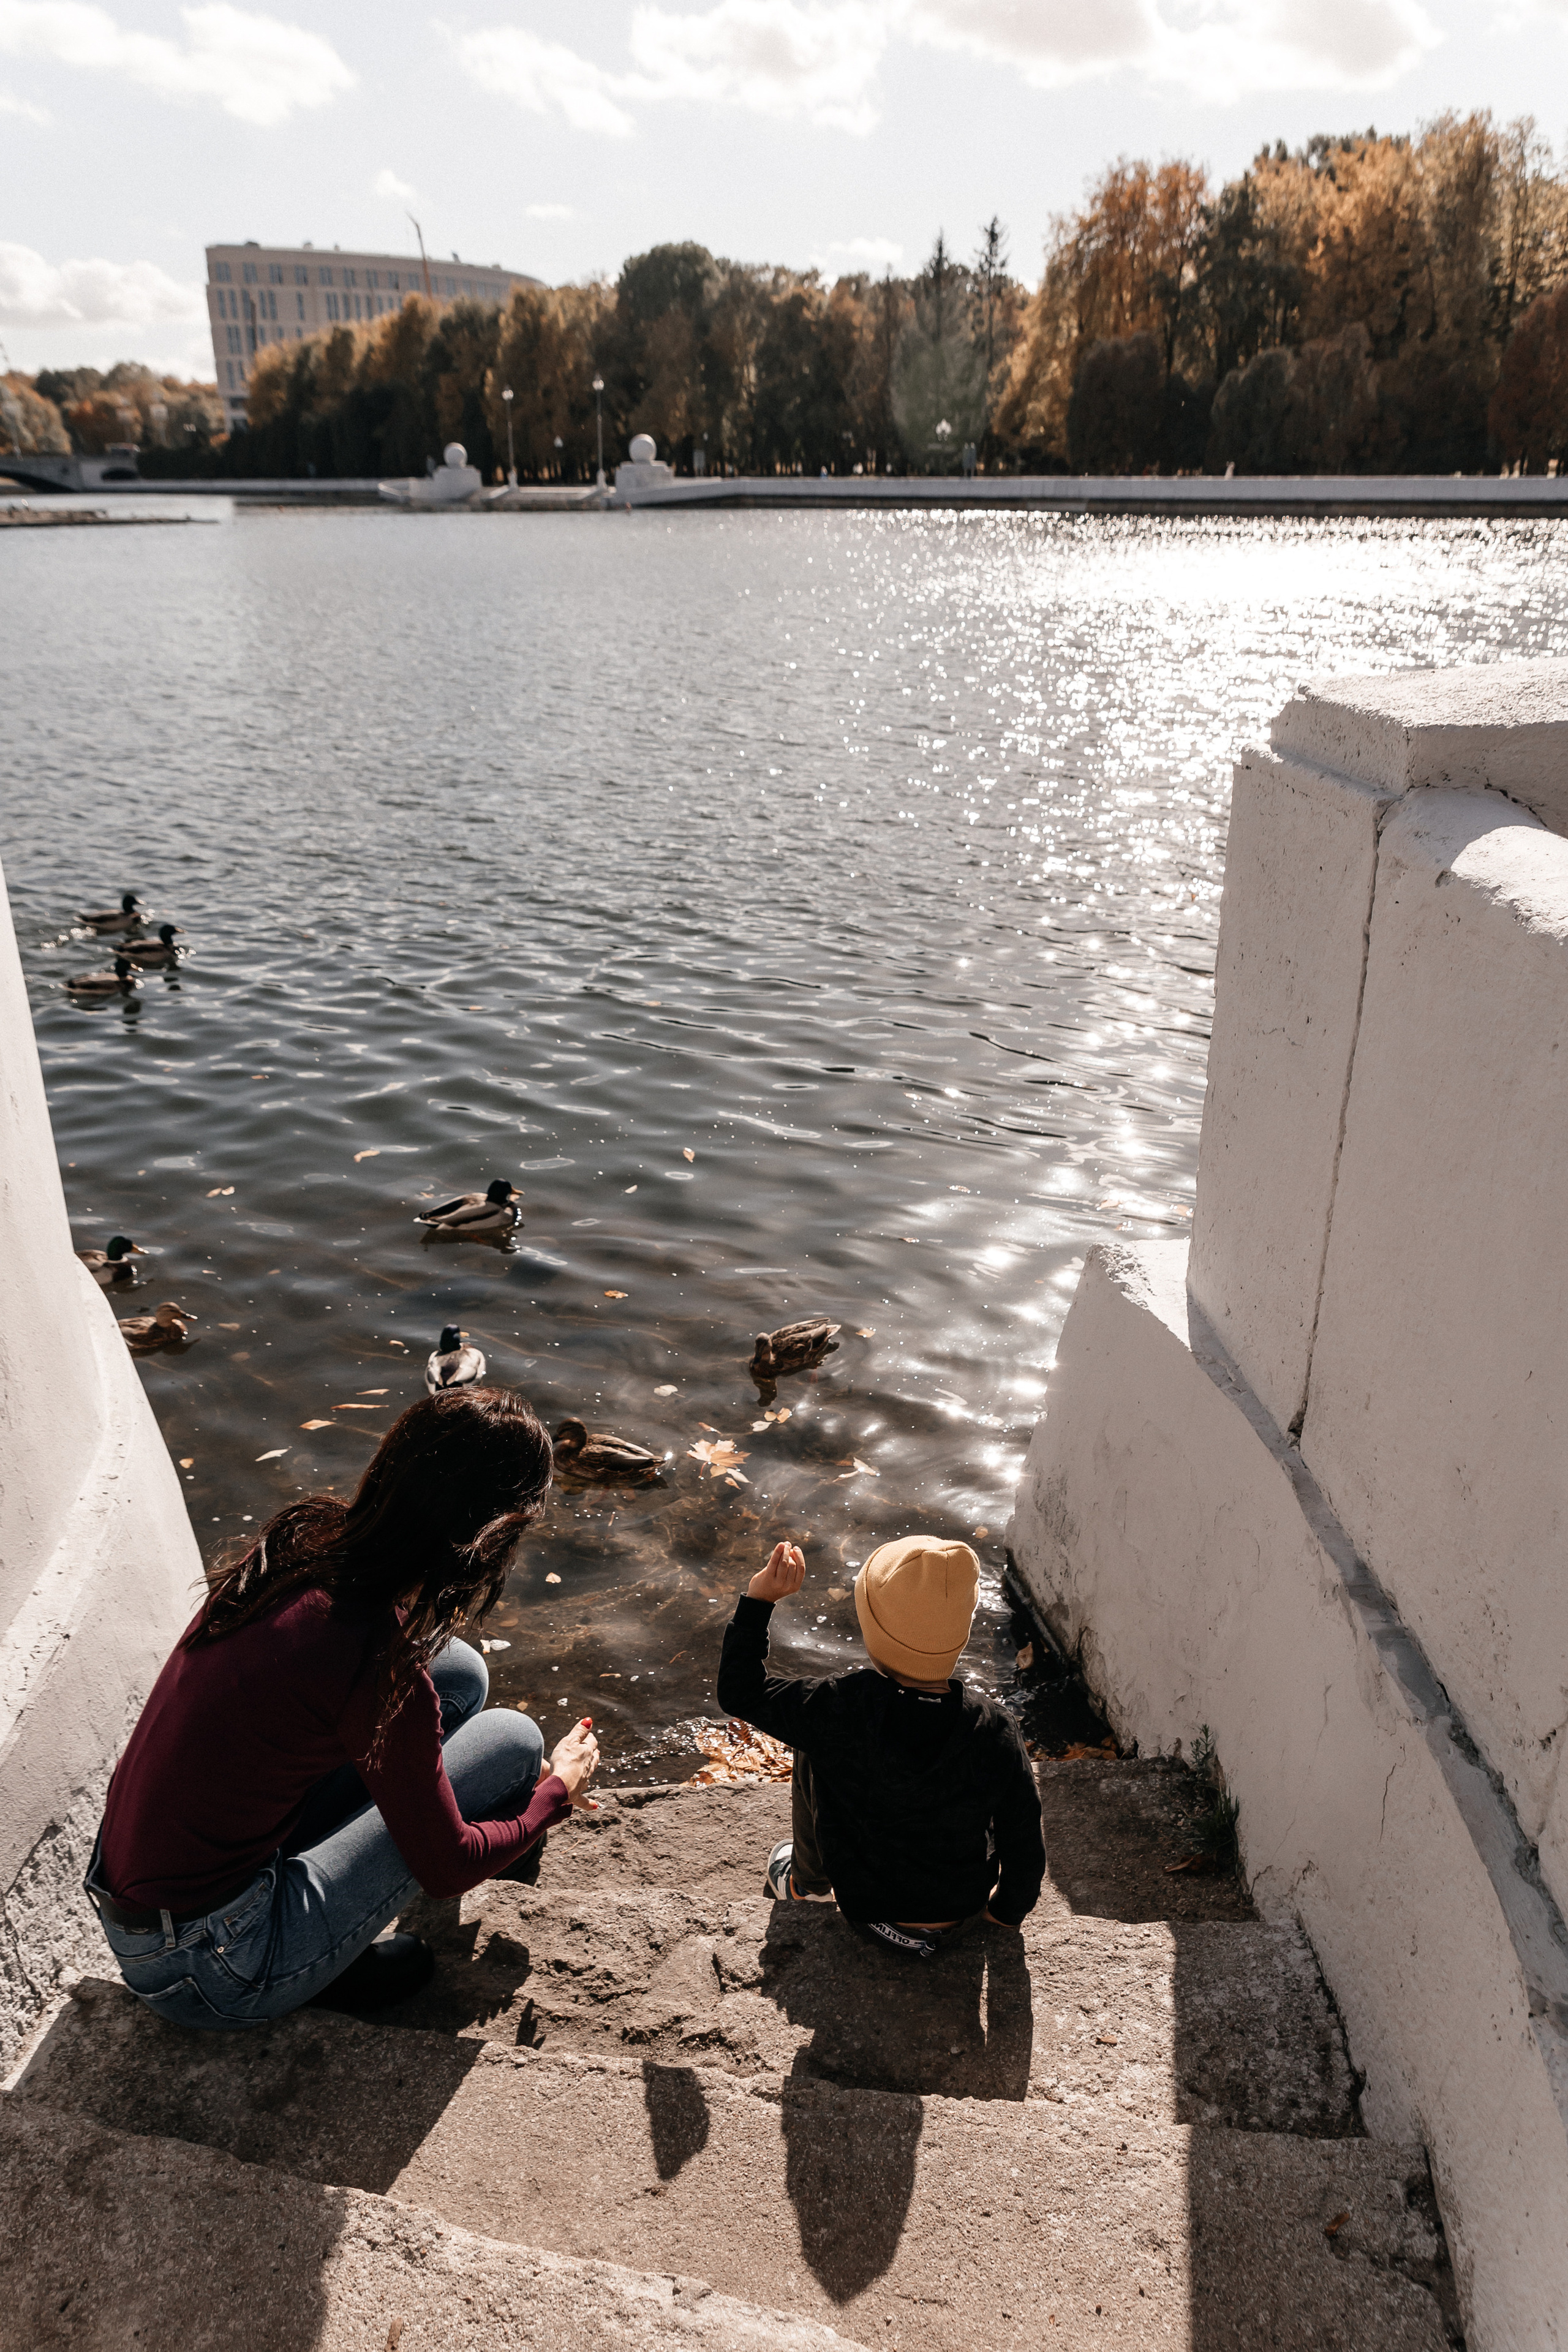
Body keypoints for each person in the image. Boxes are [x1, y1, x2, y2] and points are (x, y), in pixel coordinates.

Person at [86, 1387, 598, 2029]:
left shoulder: (302, 1540)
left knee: (460, 1672)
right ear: (490, 1535)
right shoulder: (375, 1667)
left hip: (143, 1901)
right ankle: (308, 1966)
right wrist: (555, 1792)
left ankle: (323, 1911)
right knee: (515, 1744)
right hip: (212, 1970)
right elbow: (448, 1869)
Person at [717, 1534, 1045, 1958]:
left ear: (877, 1629)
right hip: (960, 1915)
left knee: (810, 1737)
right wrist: (1003, 1917)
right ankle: (813, 1882)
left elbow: (739, 1692)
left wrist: (759, 1600)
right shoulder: (996, 1726)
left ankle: (807, 1883)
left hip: (868, 1914)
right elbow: (1025, 1845)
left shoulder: (839, 1704)